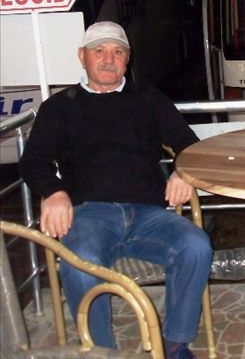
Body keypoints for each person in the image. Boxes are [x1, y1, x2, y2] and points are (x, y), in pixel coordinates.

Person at [19, 21, 212, 359]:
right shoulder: (58, 107)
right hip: (89, 215)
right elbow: (33, 161)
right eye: (99, 51)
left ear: (127, 59)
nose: (109, 59)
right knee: (80, 263)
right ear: (82, 57)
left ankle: (176, 342)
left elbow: (188, 144)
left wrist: (183, 171)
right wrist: (54, 191)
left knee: (196, 245)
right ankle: (100, 350)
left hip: (150, 214)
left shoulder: (149, 99)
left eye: (118, 52)